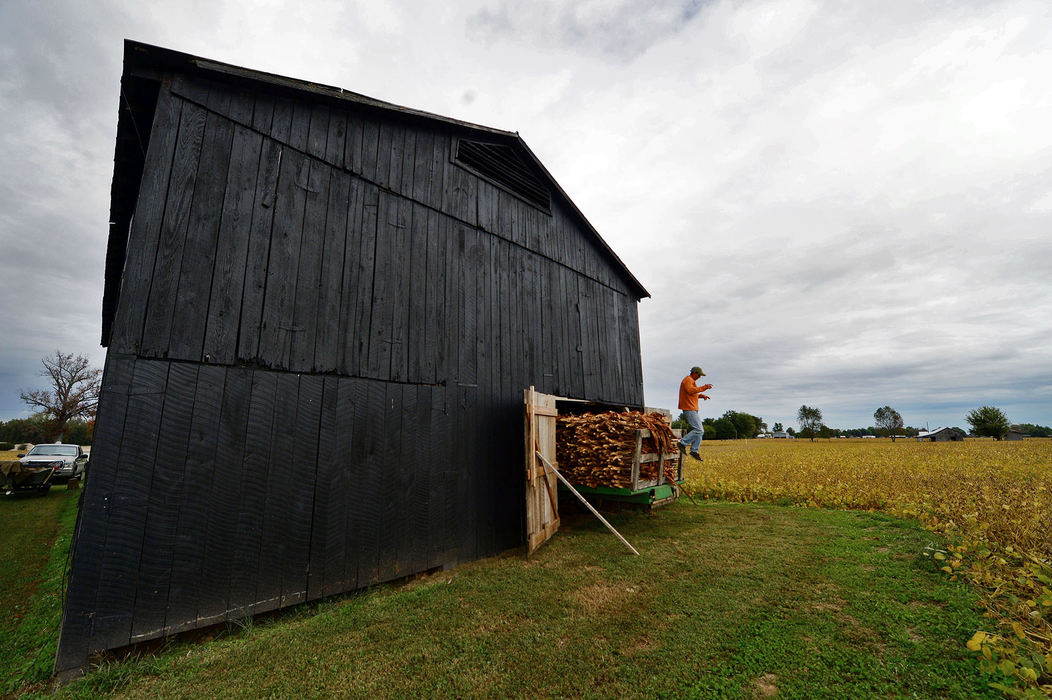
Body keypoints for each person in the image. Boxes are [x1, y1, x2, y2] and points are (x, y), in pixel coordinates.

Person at [678, 366, 712, 460]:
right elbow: (690, 390)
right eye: (699, 375)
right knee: (699, 430)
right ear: (695, 373)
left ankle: (694, 451)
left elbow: (692, 393)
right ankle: (682, 443)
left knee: (700, 431)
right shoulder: (688, 380)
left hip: (692, 408)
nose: (700, 377)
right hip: (689, 408)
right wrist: (704, 387)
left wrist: (701, 396)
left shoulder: (691, 381)